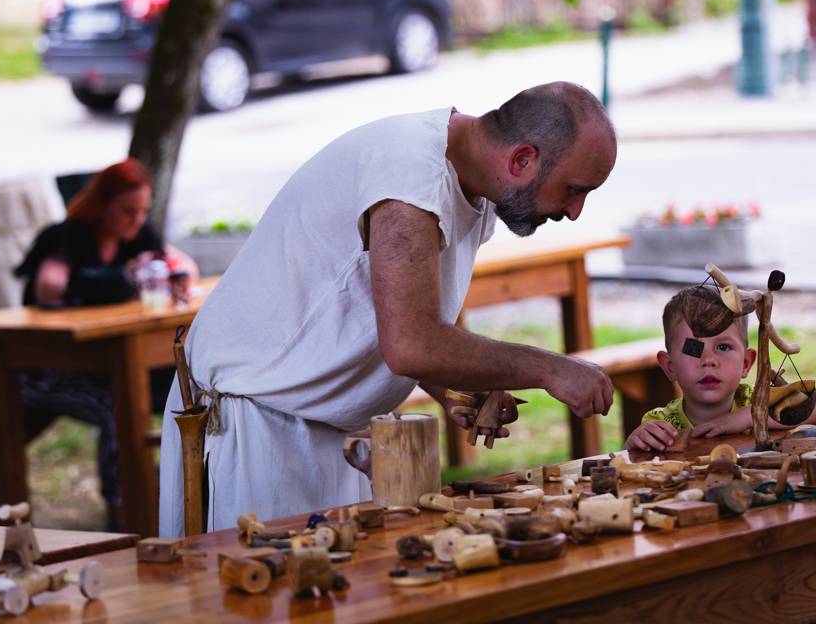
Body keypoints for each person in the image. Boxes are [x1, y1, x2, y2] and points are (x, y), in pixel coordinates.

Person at [159, 81, 618, 536]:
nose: (574, 211)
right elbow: (411, 343)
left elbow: (382, 314)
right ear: (522, 159)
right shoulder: (410, 176)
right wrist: (552, 369)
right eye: (575, 190)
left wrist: (453, 384)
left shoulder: (467, 179)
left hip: (310, 423)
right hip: (255, 423)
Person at [14, 158, 197, 528]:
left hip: (104, 364)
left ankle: (177, 490)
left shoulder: (139, 234)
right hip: (47, 368)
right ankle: (126, 508)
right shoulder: (68, 235)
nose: (136, 219)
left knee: (187, 390)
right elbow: (51, 286)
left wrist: (158, 268)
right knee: (121, 400)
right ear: (102, 205)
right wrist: (123, 276)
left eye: (142, 211)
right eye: (127, 211)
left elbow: (184, 268)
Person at [624, 285, 816, 452]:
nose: (708, 360)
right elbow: (633, 462)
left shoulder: (756, 402)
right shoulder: (661, 424)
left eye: (723, 347)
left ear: (746, 363)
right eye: (694, 348)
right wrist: (635, 443)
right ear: (670, 367)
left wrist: (743, 418)